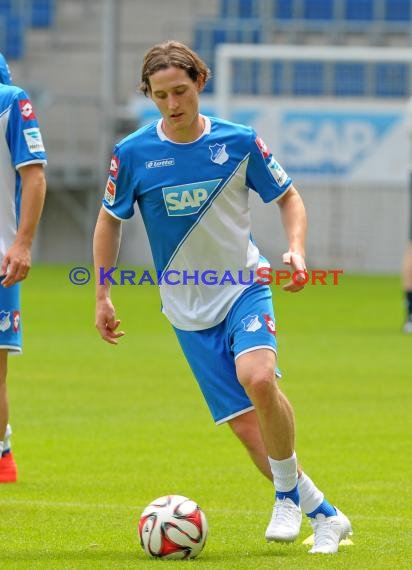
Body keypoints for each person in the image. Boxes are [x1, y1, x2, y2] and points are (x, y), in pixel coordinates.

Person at [93, 41, 352, 554]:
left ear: (200, 83)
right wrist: (101, 293)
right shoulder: (133, 153)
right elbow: (108, 222)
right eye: (161, 94)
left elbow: (289, 197)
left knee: (257, 377)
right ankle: (325, 516)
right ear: (148, 95)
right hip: (186, 310)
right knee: (247, 427)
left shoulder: (237, 143)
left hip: (242, 287)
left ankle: (284, 497)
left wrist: (297, 250)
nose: (173, 104)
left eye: (181, 91)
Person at [0, 53, 47, 483]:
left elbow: (33, 175)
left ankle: (0, 452)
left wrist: (23, 243)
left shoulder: (10, 101)